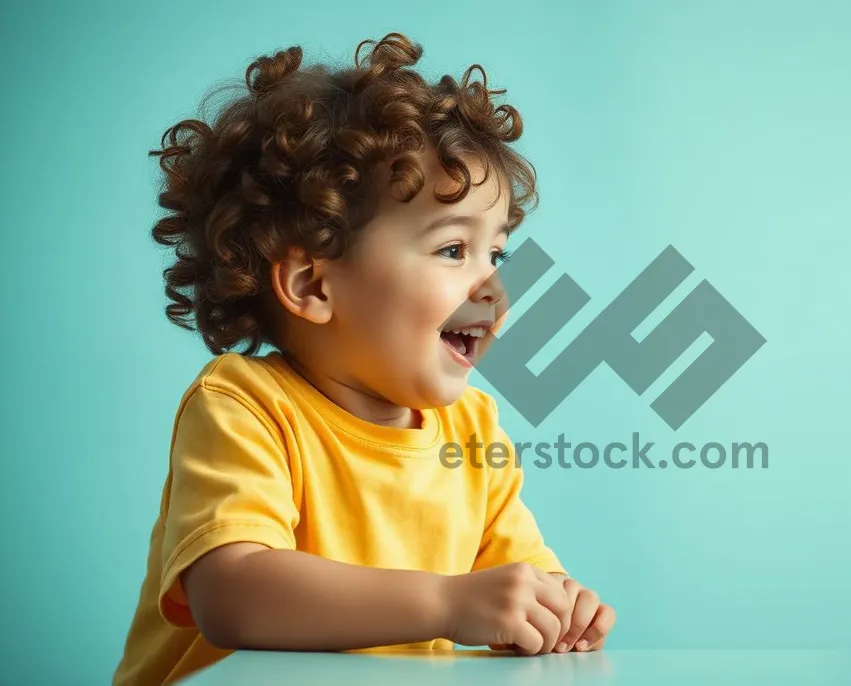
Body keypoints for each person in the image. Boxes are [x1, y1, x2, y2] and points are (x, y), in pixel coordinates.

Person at [112, 31, 615, 686]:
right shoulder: (245, 406)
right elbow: (232, 593)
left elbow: (515, 578)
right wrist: (447, 603)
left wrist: (556, 608)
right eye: (451, 250)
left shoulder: (472, 429)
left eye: (497, 254)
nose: (492, 286)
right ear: (313, 286)